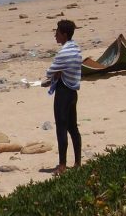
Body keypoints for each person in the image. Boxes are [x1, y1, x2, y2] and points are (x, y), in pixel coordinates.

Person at [44, 19, 82, 175]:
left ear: (64, 34)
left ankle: (62, 165)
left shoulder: (64, 53)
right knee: (73, 127)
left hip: (63, 92)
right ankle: (78, 162)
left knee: (61, 127)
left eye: (57, 32)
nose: (55, 35)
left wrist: (57, 73)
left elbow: (49, 72)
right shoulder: (76, 49)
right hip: (73, 92)